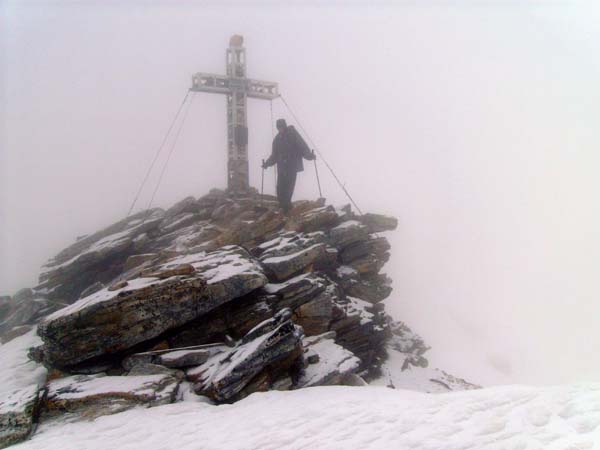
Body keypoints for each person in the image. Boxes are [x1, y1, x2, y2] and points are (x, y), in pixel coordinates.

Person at [263, 119, 316, 214]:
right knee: (280, 189)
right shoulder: (276, 139)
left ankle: (287, 210)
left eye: (281, 127)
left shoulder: (292, 134)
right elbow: (274, 155)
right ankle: (285, 209)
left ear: (285, 126)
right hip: (282, 167)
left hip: (292, 166)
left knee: (288, 189)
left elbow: (302, 146)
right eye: (278, 127)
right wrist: (267, 164)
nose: (280, 129)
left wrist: (309, 156)